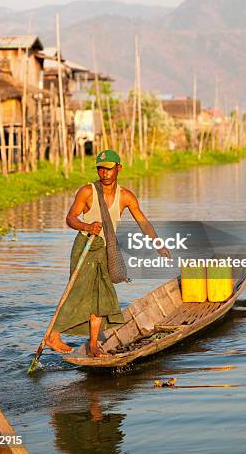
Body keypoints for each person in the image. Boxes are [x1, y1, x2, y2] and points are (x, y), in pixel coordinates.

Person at [46, 149, 170, 357]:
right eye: (100, 169)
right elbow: (70, 218)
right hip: (86, 246)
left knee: (102, 297)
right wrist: (86, 226)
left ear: (119, 168)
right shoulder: (87, 192)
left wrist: (158, 243)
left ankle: (93, 345)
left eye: (109, 169)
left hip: (106, 248)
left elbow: (142, 221)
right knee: (79, 291)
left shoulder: (126, 196)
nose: (104, 173)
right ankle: (53, 335)